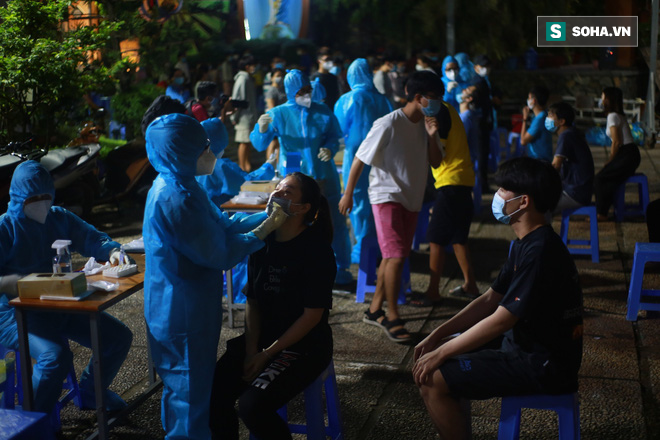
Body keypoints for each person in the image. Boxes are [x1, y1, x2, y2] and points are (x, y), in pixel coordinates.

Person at [413, 157, 583, 440]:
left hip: (543, 364)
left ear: (523, 201)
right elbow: (490, 299)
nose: (498, 195)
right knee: (442, 352)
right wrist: (438, 336)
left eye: (504, 189)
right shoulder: (525, 243)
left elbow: (501, 320)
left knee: (432, 377)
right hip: (526, 345)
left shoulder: (540, 252)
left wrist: (443, 351)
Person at [143, 113, 287, 439]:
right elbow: (220, 254)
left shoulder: (186, 185)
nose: (209, 152)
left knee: (193, 392)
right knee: (188, 394)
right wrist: (265, 229)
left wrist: (262, 216)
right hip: (179, 310)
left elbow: (221, 224)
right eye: (202, 146)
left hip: (192, 304)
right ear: (180, 152)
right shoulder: (173, 198)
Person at [209, 173, 336, 440]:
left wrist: (266, 355)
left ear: (303, 208)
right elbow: (252, 302)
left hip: (304, 347)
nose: (276, 194)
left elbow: (312, 316)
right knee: (210, 393)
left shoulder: (316, 250)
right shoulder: (263, 241)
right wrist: (251, 350)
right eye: (276, 189)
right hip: (262, 339)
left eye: (287, 192)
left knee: (252, 406)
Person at [0, 161, 133, 414]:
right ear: (18, 197)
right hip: (15, 314)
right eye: (33, 197)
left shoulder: (58, 218)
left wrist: (113, 251)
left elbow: (91, 238)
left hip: (60, 303)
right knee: (54, 358)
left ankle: (92, 392)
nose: (41, 202)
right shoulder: (5, 229)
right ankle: (34, 419)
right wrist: (9, 284)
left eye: (46, 196)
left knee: (117, 337)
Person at [338, 71, 445, 342]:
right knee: (396, 256)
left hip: (412, 197)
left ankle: (374, 311)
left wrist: (433, 135)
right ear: (418, 97)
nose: (438, 104)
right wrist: (348, 193)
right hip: (386, 196)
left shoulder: (426, 124)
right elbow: (360, 158)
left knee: (392, 256)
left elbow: (435, 162)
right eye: (434, 98)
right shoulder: (388, 123)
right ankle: (393, 315)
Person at [250, 69, 353, 285]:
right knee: (293, 223)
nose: (306, 94)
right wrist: (261, 129)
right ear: (289, 92)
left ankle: (339, 268)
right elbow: (259, 144)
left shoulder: (322, 111)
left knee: (332, 221)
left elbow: (335, 136)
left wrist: (330, 148)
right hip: (295, 180)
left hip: (323, 175)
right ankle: (296, 267)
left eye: (308, 90)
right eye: (301, 91)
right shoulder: (278, 113)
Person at [412, 92, 478, 306]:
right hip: (463, 179)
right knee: (459, 238)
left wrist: (429, 135)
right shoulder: (449, 109)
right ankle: (470, 285)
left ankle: (432, 291)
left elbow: (436, 158)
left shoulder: (438, 113)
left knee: (436, 238)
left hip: (450, 182)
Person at [334, 58, 392, 264]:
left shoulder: (346, 100)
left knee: (358, 203)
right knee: (378, 201)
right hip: (382, 158)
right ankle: (379, 246)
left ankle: (362, 249)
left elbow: (338, 129)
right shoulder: (383, 100)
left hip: (356, 156)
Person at [594, 86, 641, 221]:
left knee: (600, 178)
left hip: (627, 154)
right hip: (630, 154)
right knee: (608, 178)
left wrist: (611, 160)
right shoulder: (618, 115)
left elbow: (616, 142)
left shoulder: (612, 116)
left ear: (609, 100)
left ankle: (601, 213)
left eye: (603, 97)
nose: (601, 100)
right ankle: (605, 209)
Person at [546, 101, 595, 214]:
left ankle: (542, 231)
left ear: (562, 121)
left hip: (575, 194)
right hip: (578, 191)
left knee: (539, 205)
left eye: (550, 116)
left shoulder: (566, 136)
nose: (547, 119)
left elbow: (555, 167)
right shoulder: (572, 133)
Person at [232, 55, 259, 172]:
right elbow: (239, 99)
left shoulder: (246, 78)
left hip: (248, 116)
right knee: (243, 142)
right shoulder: (243, 79)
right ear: (247, 66)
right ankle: (242, 166)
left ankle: (246, 164)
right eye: (253, 65)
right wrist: (234, 116)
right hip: (244, 116)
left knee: (247, 142)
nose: (255, 68)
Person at [470, 54, 493, 192]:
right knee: (481, 154)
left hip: (484, 121)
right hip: (479, 123)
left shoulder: (483, 81)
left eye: (487, 66)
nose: (485, 69)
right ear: (475, 67)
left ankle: (482, 184)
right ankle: (482, 185)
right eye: (482, 66)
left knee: (483, 154)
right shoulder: (477, 83)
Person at [520, 85, 553, 162]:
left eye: (529, 98)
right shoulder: (541, 115)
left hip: (540, 160)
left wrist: (524, 119)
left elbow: (523, 141)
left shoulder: (540, 119)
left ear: (534, 100)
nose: (528, 100)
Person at [458, 85, 480, 165]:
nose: (463, 90)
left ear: (469, 99)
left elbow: (461, 140)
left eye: (466, 90)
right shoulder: (466, 115)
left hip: (465, 160)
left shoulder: (466, 117)